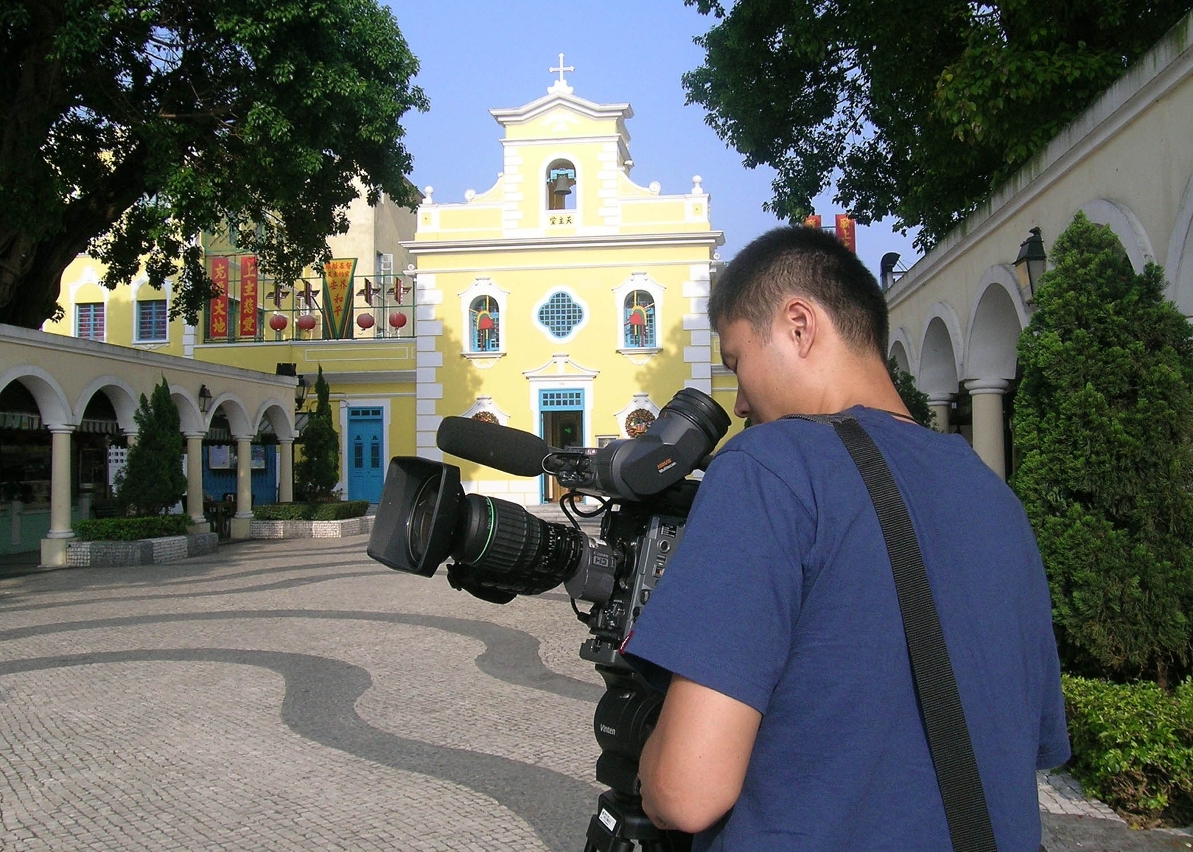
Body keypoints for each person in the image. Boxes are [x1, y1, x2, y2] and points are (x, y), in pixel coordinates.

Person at [622, 225, 1069, 851]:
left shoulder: (771, 466)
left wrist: (645, 768)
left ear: (799, 325)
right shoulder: (993, 496)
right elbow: (1030, 742)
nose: (741, 401)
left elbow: (685, 792)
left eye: (737, 361)